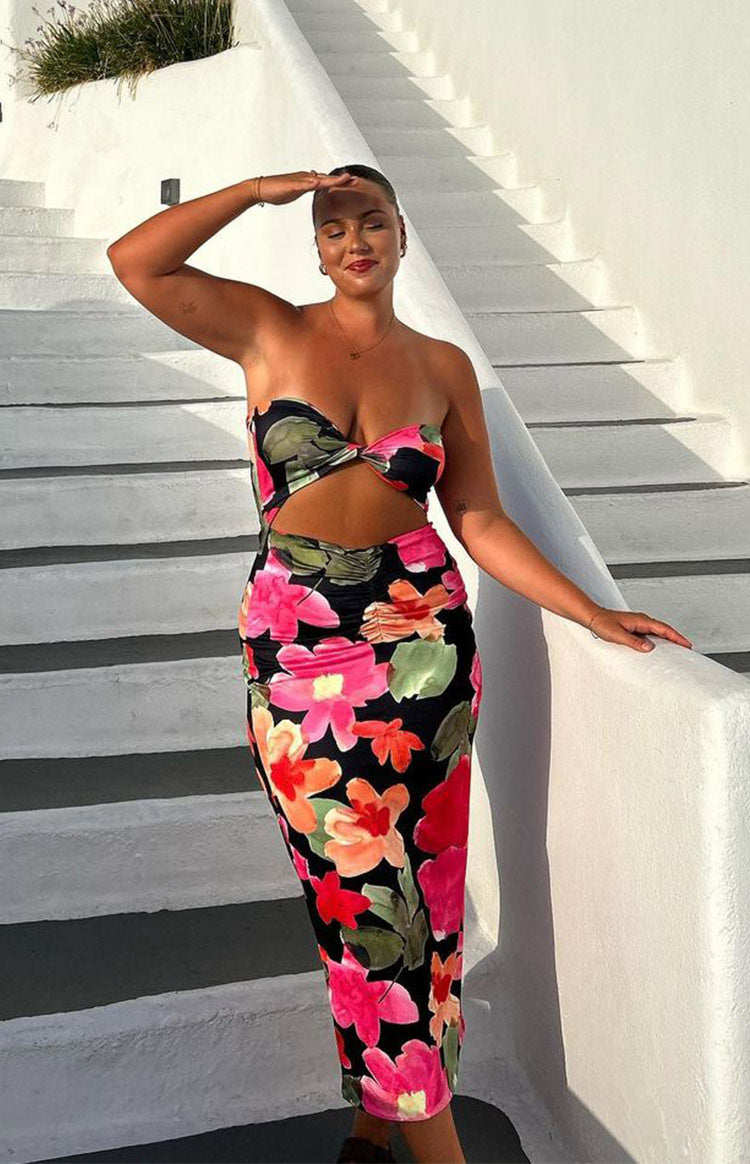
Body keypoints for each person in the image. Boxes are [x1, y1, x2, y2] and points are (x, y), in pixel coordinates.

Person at [107, 164, 693, 1164]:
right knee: (363, 902)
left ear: (403, 234)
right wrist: (258, 190)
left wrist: (590, 609)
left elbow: (478, 518)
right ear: (316, 247)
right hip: (298, 648)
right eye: (333, 228)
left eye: (371, 221)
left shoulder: (441, 365)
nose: (354, 241)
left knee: (423, 888)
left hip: (423, 646)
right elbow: (138, 262)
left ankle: (374, 1127)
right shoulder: (269, 330)